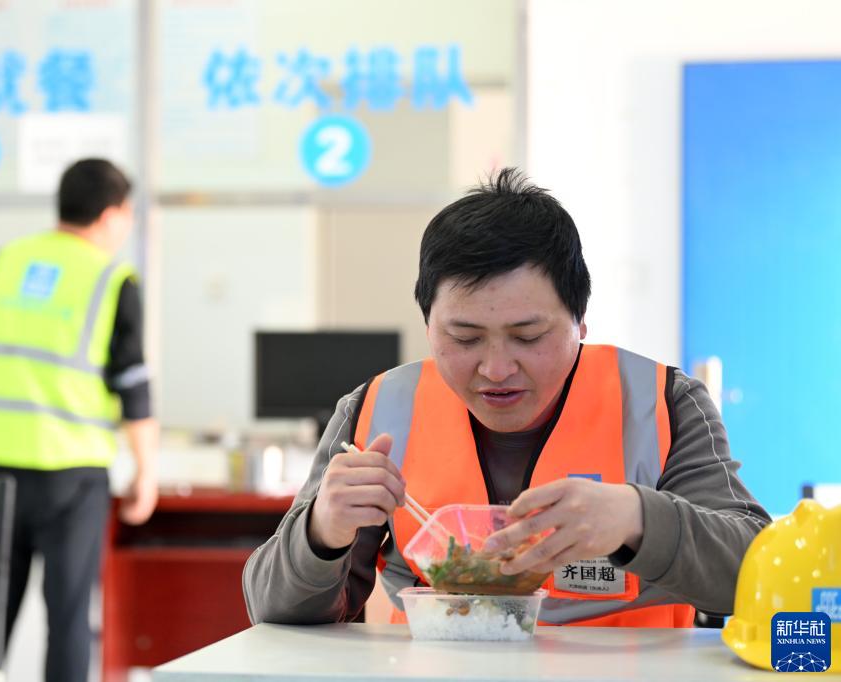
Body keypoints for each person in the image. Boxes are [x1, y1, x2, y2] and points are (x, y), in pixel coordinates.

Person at [243, 168, 771, 627]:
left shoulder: (661, 402)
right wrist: (321, 532)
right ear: (428, 327)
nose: (496, 369)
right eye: (465, 338)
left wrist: (637, 519)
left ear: (581, 323)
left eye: (528, 336)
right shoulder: (378, 410)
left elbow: (760, 574)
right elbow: (271, 609)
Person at [0, 158, 159, 680]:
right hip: (71, 471)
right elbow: (132, 384)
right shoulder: (111, 278)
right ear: (110, 214)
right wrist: (146, 472)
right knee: (67, 615)